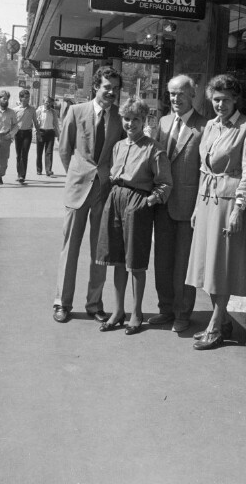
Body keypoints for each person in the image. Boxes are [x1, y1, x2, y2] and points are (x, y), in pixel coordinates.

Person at [185, 74, 246, 350]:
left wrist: (241, 208)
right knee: (209, 265)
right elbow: (204, 168)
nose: (220, 105)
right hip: (207, 200)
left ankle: (215, 326)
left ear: (235, 99)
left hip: (229, 202)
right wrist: (196, 205)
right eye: (216, 99)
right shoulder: (211, 126)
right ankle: (222, 319)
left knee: (223, 264)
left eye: (226, 100)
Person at [53, 67, 124, 323]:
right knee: (70, 247)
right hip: (77, 189)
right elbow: (64, 149)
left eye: (115, 89)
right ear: (96, 87)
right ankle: (62, 303)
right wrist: (76, 174)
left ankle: (94, 303)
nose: (111, 92)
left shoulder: (119, 117)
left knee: (100, 251)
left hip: (104, 191)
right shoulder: (76, 111)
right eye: (107, 87)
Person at [96, 97, 172, 334]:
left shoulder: (154, 148)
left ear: (144, 120)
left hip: (137, 202)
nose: (130, 124)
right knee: (117, 259)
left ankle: (137, 313)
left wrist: (148, 201)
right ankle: (118, 311)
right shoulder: (119, 146)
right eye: (127, 119)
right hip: (115, 199)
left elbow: (165, 184)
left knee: (135, 262)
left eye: (136, 120)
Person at [148, 75, 208, 333]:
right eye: (171, 94)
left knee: (184, 262)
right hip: (162, 203)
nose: (175, 99)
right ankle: (165, 308)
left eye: (180, 94)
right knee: (162, 260)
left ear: (193, 94)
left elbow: (206, 170)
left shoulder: (205, 126)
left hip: (188, 206)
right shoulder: (162, 122)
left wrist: (199, 207)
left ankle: (183, 313)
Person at [14, 89, 39, 184]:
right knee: (18, 154)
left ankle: (22, 176)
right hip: (18, 133)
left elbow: (35, 122)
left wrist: (39, 133)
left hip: (27, 133)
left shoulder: (32, 109)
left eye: (28, 97)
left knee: (24, 154)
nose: (28, 99)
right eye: (26, 97)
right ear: (21, 98)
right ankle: (19, 173)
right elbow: (13, 123)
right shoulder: (15, 110)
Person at [35, 95, 60, 176]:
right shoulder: (39, 111)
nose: (48, 104)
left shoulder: (53, 112)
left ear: (51, 103)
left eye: (49, 102)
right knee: (39, 152)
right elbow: (35, 123)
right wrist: (36, 132)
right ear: (43, 102)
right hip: (41, 132)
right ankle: (39, 169)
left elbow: (56, 124)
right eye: (46, 102)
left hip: (50, 133)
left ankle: (48, 170)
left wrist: (58, 135)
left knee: (49, 152)